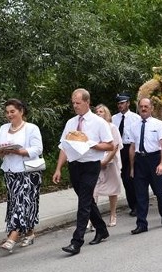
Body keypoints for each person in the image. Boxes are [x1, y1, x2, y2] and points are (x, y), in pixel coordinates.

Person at [53, 88, 113, 255]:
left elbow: (110, 145)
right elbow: (64, 146)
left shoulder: (98, 122)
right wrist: (58, 168)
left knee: (84, 202)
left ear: (87, 102)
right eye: (73, 103)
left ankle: (76, 241)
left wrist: (91, 143)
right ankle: (102, 229)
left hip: (91, 165)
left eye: (78, 103)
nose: (75, 106)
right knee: (86, 200)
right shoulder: (71, 123)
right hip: (75, 165)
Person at [0, 99, 43, 252]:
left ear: (21, 111)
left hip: (28, 172)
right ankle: (29, 233)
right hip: (10, 171)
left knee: (22, 204)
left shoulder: (31, 128)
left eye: (12, 111)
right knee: (15, 203)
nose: (9, 115)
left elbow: (37, 149)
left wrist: (19, 151)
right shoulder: (3, 128)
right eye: (7, 112)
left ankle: (12, 237)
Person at [128, 98, 162, 234]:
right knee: (140, 194)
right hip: (140, 161)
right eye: (141, 106)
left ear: (151, 108)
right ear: (138, 108)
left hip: (154, 159)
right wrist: (132, 168)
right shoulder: (134, 125)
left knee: (159, 191)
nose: (144, 109)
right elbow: (133, 147)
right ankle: (141, 224)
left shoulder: (159, 124)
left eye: (146, 106)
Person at [93, 104, 123, 227]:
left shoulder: (112, 127)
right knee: (93, 190)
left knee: (113, 190)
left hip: (111, 162)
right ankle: (92, 218)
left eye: (101, 111)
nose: (99, 113)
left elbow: (115, 146)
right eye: (97, 111)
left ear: (106, 114)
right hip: (96, 162)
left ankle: (113, 214)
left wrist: (106, 161)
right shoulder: (93, 128)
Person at [112, 93, 141, 217]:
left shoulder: (135, 118)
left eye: (122, 103)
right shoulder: (114, 118)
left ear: (128, 103)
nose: (120, 105)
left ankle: (136, 205)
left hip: (131, 148)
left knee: (131, 178)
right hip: (118, 149)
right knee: (124, 178)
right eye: (118, 103)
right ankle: (133, 204)